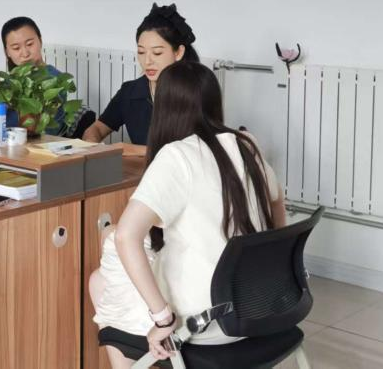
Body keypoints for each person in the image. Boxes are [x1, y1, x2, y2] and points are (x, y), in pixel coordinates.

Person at [89, 61, 285, 368]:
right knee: (106, 270)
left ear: (164, 106)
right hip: (259, 306)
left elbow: (127, 236)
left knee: (104, 275)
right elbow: (277, 203)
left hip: (204, 322)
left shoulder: (177, 156)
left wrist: (163, 319)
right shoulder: (246, 143)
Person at [83, 3, 199, 156]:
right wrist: (92, 143)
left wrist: (132, 149)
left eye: (157, 53)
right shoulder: (130, 91)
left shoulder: (196, 92)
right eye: (141, 52)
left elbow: (194, 151)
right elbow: (97, 128)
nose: (147, 61)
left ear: (178, 52)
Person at [0, 16, 71, 135]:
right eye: (16, 48)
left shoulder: (55, 81)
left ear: (40, 41)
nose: (25, 53)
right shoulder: (7, 83)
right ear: (7, 52)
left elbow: (47, 132)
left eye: (29, 44)